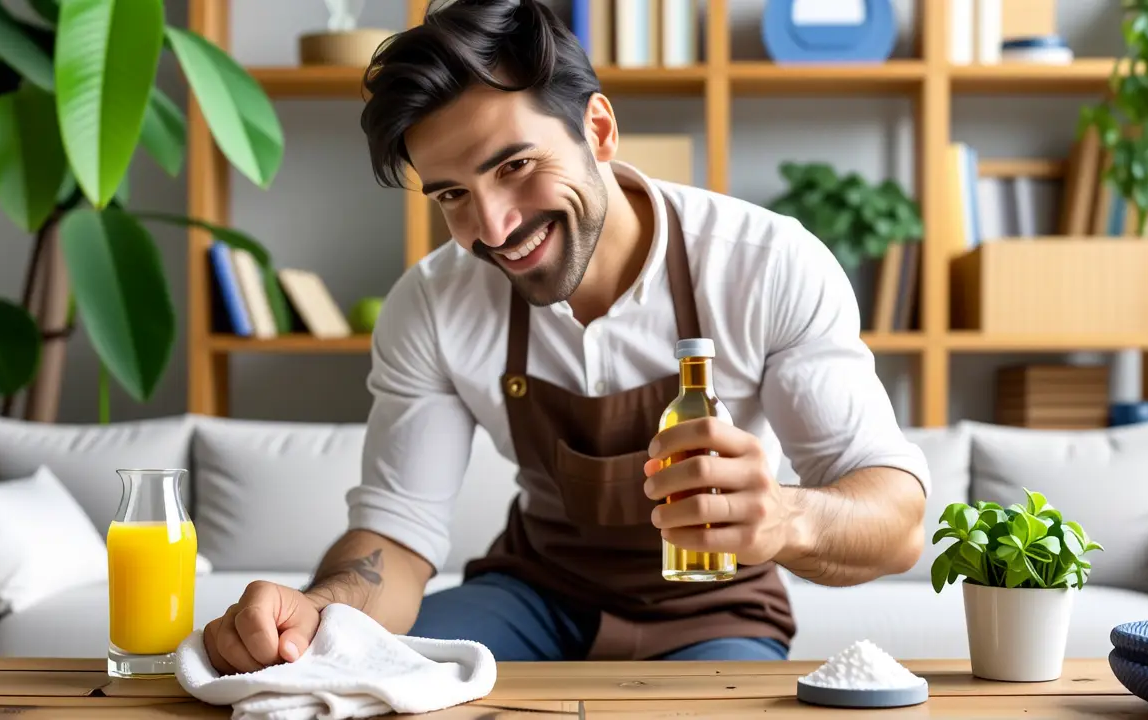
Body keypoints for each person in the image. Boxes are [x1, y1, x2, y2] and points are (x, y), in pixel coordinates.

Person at [201, 0, 930, 673]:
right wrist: (319, 613)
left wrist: (786, 518)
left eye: (515, 166)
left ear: (599, 130)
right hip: (532, 594)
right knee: (370, 674)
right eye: (453, 194)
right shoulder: (431, 304)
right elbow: (395, 535)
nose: (493, 228)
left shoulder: (766, 264)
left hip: (712, 604)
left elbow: (897, 525)